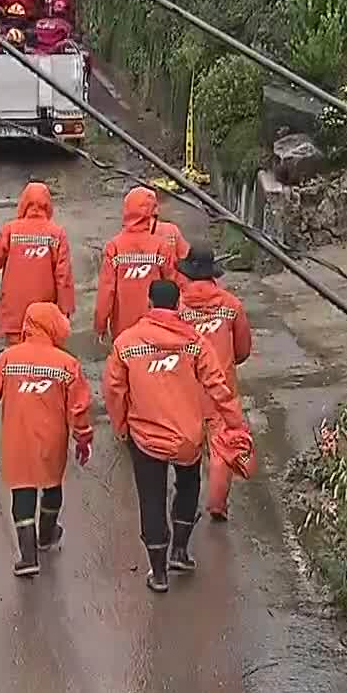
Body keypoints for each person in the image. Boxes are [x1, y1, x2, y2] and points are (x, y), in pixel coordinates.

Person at [104, 279, 249, 593]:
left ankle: (158, 573)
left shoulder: (127, 343)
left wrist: (121, 426)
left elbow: (115, 391)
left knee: (151, 498)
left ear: (150, 303)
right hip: (187, 436)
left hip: (145, 437)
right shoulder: (194, 342)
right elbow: (218, 386)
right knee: (187, 486)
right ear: (177, 306)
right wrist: (237, 425)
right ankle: (180, 552)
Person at [0, 301, 94, 576]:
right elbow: (79, 407)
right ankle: (47, 535)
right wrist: (83, 437)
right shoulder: (66, 364)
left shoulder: (8, 359)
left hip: (18, 436)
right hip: (53, 438)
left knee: (22, 489)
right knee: (51, 484)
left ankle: (28, 557)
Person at [175, 244, 252, 521]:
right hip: (221, 388)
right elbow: (242, 349)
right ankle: (217, 503)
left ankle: (185, 502)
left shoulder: (178, 307)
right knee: (222, 446)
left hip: (185, 387)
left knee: (188, 445)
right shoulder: (231, 306)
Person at [0, 182, 74, 342]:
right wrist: (64, 312)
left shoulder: (10, 230)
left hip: (13, 314)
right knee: (43, 358)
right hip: (45, 315)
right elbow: (63, 276)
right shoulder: (56, 234)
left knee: (15, 359)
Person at [94, 187, 178, 344]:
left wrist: (101, 325)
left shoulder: (115, 246)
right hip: (157, 327)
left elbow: (106, 291)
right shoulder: (161, 246)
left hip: (123, 329)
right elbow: (173, 286)